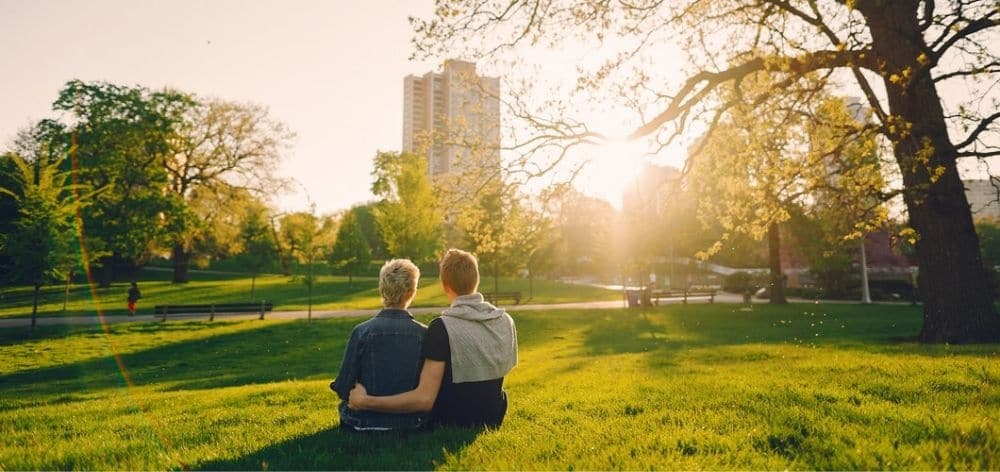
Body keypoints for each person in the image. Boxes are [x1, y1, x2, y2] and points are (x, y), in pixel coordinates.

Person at [349, 248, 518, 428]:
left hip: (453, 420)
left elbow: (424, 400)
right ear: (476, 280)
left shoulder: (442, 327)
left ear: (445, 285)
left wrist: (365, 401)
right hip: (493, 416)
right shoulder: (504, 320)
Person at [330, 259, 430, 432]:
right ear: (411, 293)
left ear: (381, 289)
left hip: (363, 422)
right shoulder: (424, 334)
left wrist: (354, 391)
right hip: (412, 422)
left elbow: (343, 388)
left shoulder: (362, 332)